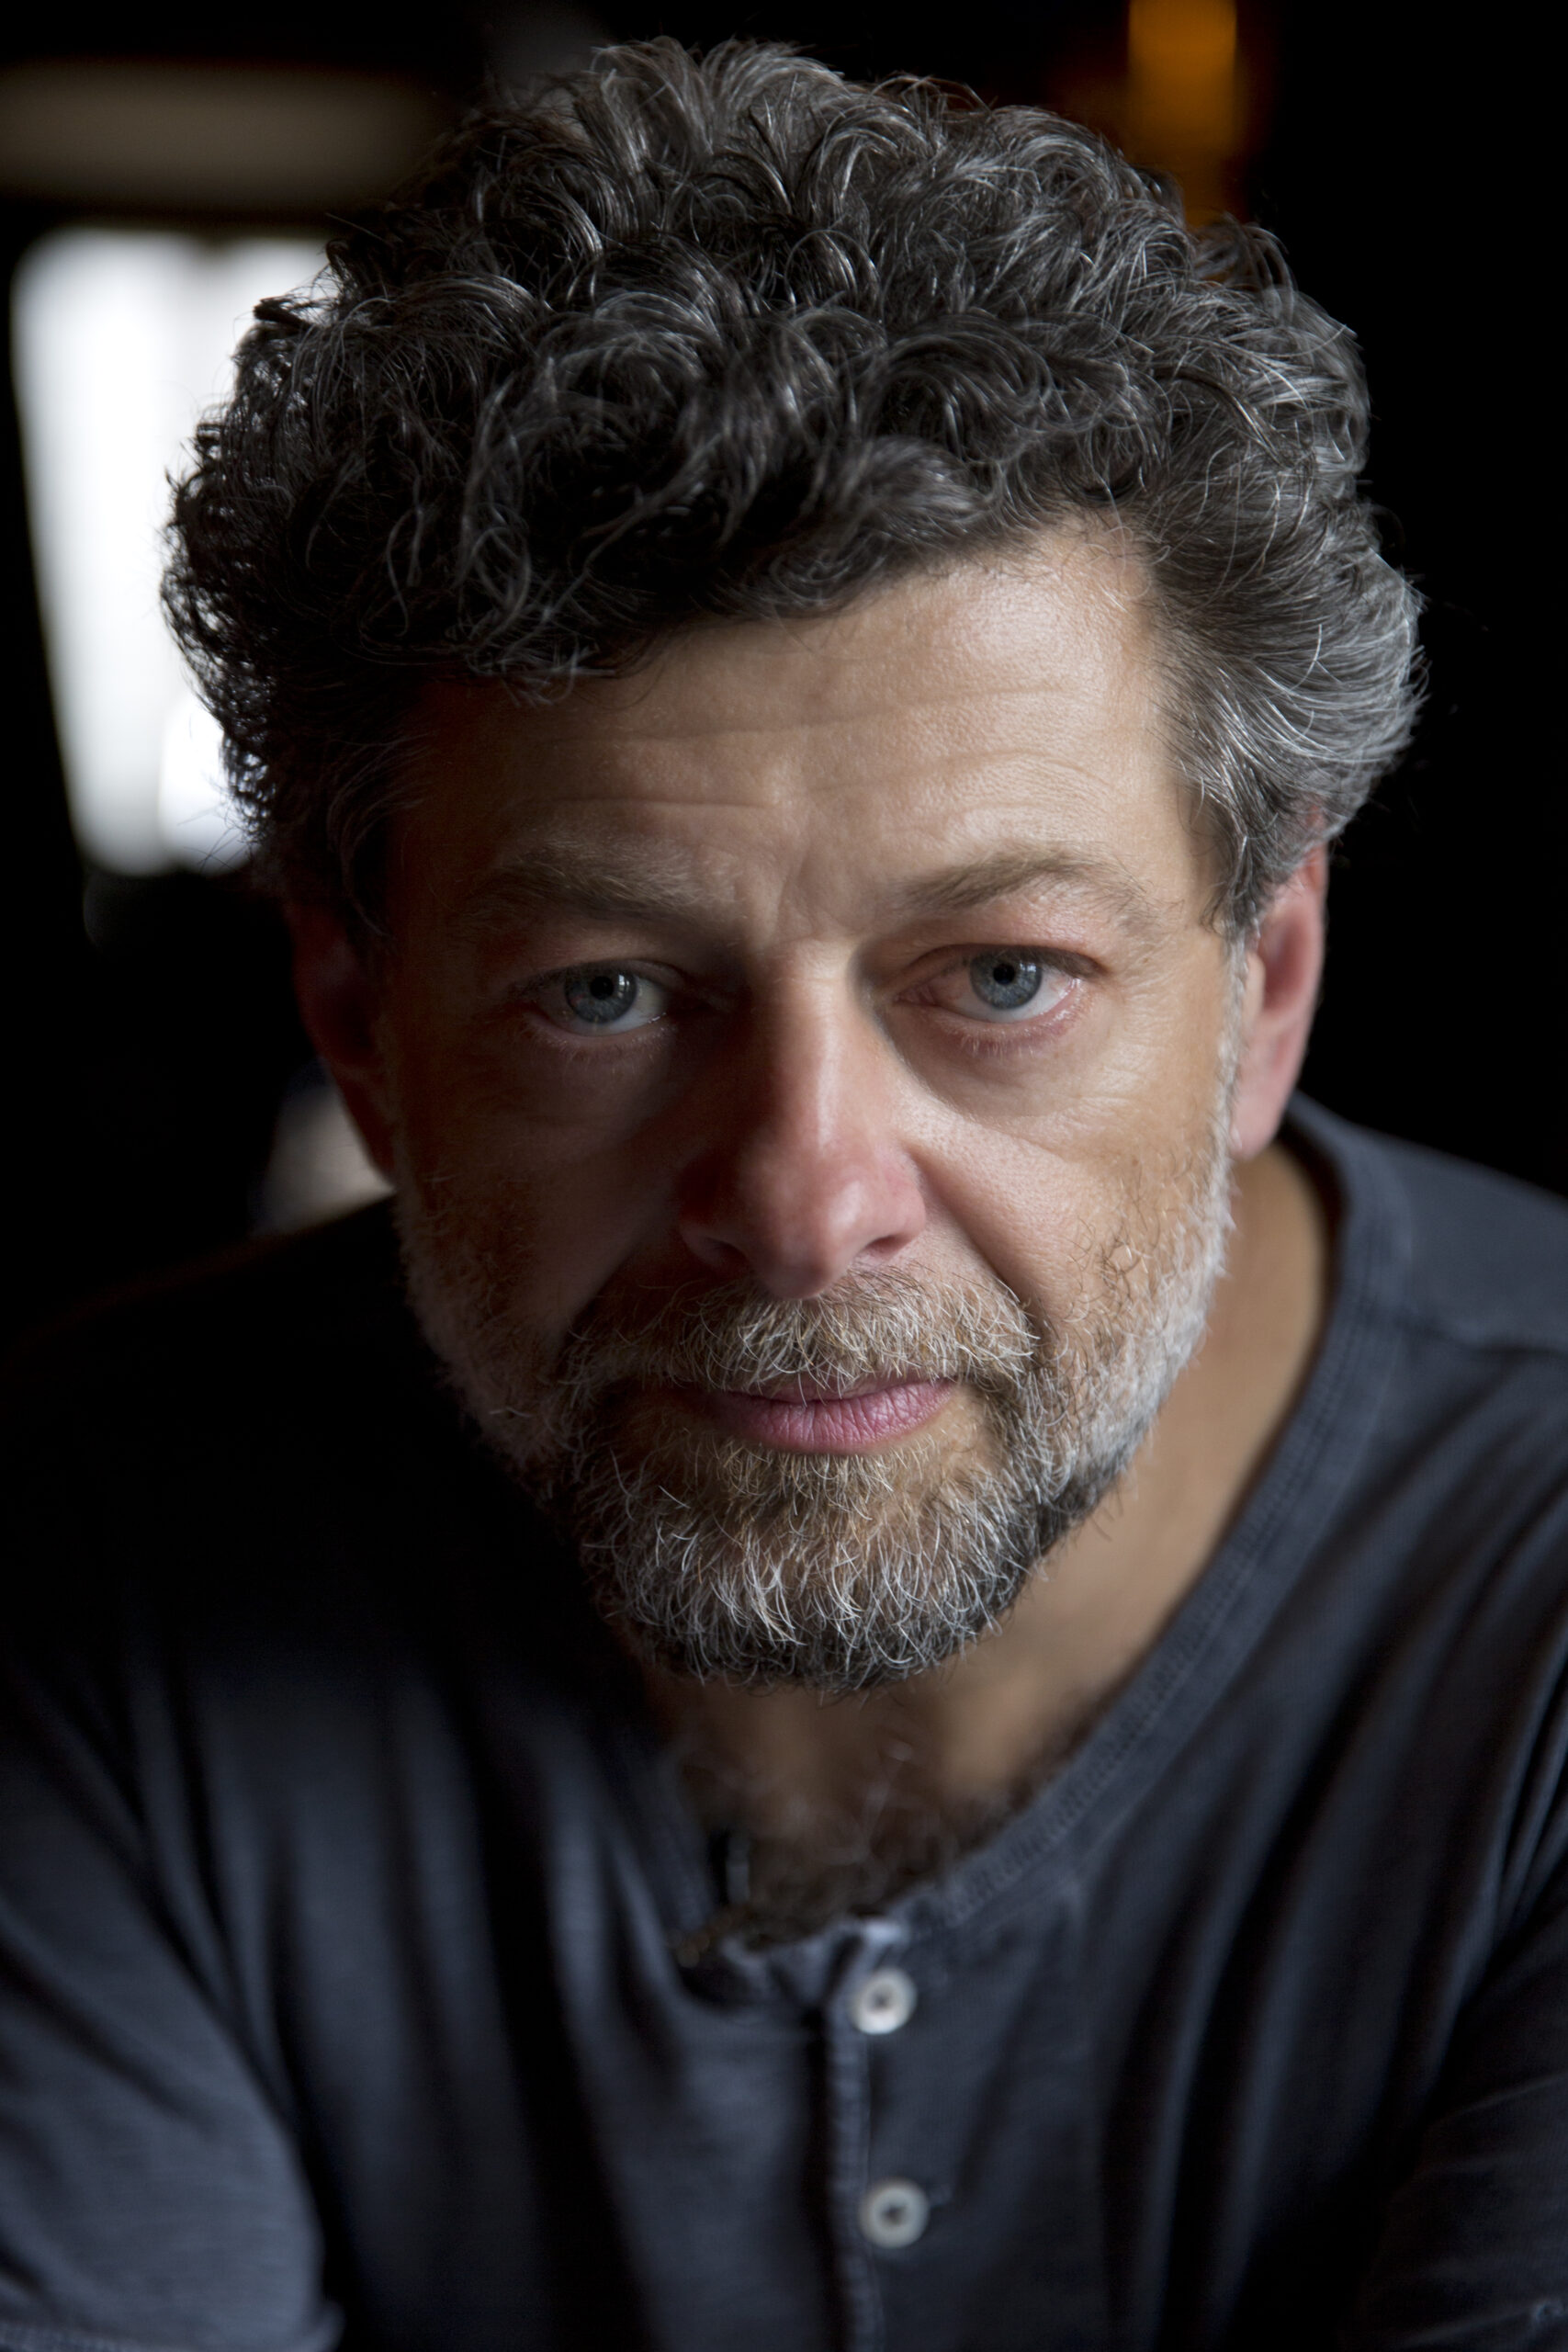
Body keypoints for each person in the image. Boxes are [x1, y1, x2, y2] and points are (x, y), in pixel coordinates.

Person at [3, 37, 1565, 2352]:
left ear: (1261, 989)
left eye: (1000, 976)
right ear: (358, 1026)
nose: (804, 1197)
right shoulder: (76, 1573)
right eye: (605, 991)